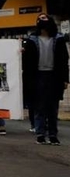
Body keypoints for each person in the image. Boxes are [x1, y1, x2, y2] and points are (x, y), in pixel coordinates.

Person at [22, 13, 69, 145]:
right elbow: (26, 62)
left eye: (44, 19)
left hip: (54, 77)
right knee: (39, 107)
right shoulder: (32, 39)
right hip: (37, 76)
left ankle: (53, 134)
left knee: (53, 108)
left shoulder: (58, 39)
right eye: (40, 20)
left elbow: (64, 60)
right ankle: (40, 134)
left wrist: (65, 79)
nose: (41, 22)